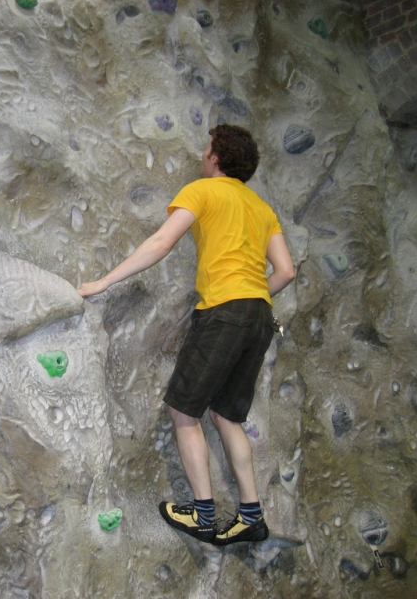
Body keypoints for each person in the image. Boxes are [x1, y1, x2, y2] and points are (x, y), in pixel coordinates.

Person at [77, 124, 295, 545]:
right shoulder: (262, 207)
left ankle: (203, 514)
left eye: (206, 147)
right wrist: (250, 296)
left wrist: (103, 282)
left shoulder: (203, 190)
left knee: (184, 411)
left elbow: (161, 242)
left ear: (216, 157)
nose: (203, 154)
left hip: (224, 314)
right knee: (227, 416)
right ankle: (251, 516)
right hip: (260, 316)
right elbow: (285, 270)